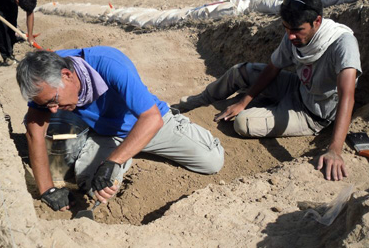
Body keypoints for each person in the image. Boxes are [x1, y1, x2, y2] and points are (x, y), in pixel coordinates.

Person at [174, 0, 361, 182]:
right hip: (297, 87)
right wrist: (243, 101)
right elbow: (273, 68)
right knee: (240, 71)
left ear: (317, 22)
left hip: (312, 113)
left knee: (242, 123)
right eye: (286, 28)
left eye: (297, 30)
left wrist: (334, 149)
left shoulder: (342, 44)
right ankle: (198, 101)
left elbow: (347, 96)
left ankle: (268, 108)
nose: (290, 36)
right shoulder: (293, 33)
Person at [16, 47, 224, 211]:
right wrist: (47, 189)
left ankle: (178, 127)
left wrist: (112, 161)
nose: (52, 111)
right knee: (93, 187)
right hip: (106, 133)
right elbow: (35, 129)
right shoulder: (43, 83)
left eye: (54, 101)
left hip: (147, 124)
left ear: (67, 75)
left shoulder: (109, 64)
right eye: (45, 105)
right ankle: (122, 153)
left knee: (211, 161)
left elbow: (150, 118)